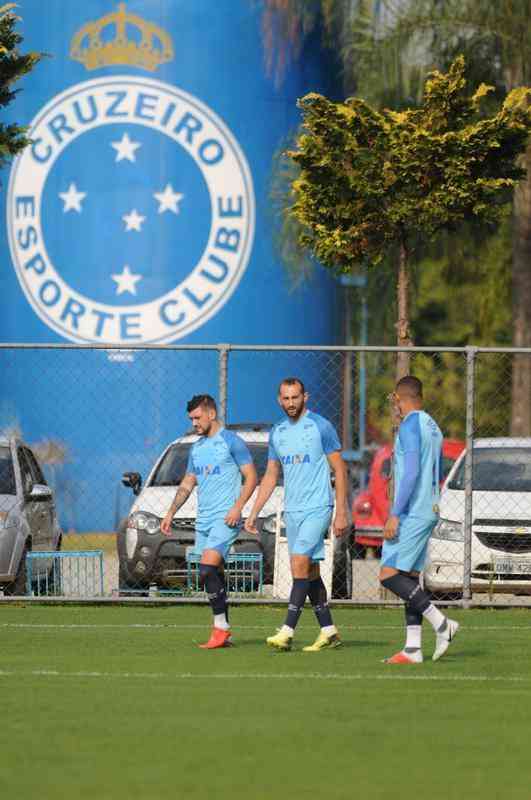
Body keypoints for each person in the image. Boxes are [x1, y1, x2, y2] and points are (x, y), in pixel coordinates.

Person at [245, 377, 348, 651]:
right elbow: (271, 475)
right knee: (310, 572)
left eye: (295, 397)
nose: (291, 403)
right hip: (292, 510)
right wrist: (254, 511)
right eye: (286, 398)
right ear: (279, 400)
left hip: (318, 507)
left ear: (306, 397)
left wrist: (341, 513)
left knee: (298, 566)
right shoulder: (277, 432)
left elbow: (340, 469)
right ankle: (329, 631)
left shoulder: (320, 426)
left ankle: (287, 630)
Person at [161, 394, 257, 649]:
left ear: (211, 414)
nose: (194, 422)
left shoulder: (231, 442)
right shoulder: (197, 448)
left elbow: (251, 476)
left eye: (197, 417)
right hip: (203, 521)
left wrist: (238, 508)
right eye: (191, 418)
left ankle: (220, 629)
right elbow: (188, 482)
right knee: (214, 574)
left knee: (205, 570)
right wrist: (170, 512)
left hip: (226, 518)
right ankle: (225, 630)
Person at [379, 375, 459, 664]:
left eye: (394, 401)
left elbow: (411, 472)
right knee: (410, 577)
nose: (395, 408)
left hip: (413, 511)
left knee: (388, 574)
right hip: (430, 507)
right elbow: (434, 473)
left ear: (400, 399)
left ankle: (442, 623)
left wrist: (395, 514)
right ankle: (413, 649)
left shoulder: (411, 424)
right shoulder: (433, 426)